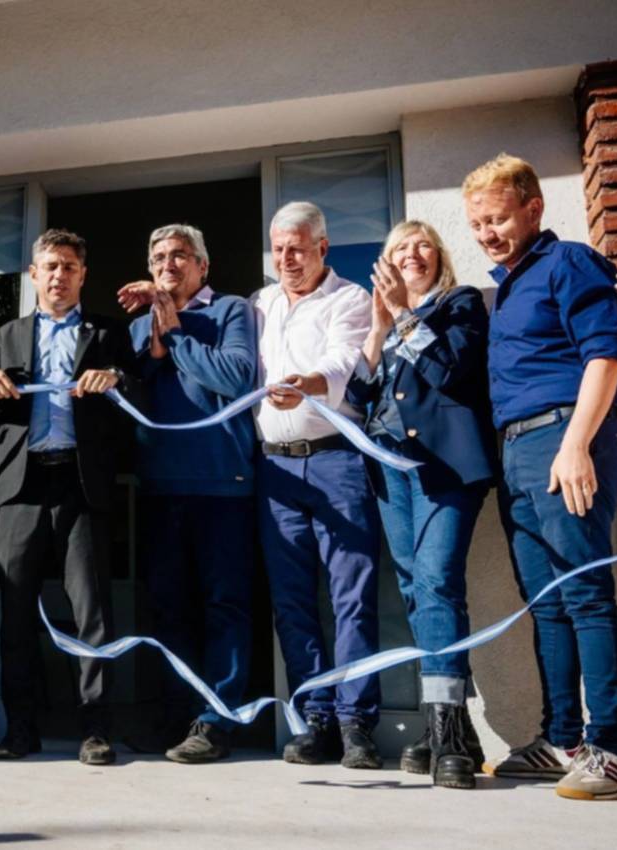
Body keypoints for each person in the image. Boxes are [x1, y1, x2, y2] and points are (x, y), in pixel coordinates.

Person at [463, 154, 617, 800]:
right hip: (516, 451)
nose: (487, 233)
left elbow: (605, 355)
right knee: (548, 602)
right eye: (477, 224)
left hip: (562, 438)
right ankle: (562, 740)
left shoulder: (568, 263)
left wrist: (576, 444)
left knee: (585, 593)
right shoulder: (509, 285)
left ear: (533, 208)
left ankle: (609, 749)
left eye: (497, 218)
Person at [344, 220, 494, 789]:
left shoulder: (460, 304)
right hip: (389, 469)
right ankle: (447, 725)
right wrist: (379, 327)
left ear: (439, 256)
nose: (412, 253)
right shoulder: (389, 320)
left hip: (443, 467)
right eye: (399, 248)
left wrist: (406, 315)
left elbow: (451, 369)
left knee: (436, 583)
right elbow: (358, 394)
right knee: (414, 588)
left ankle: (447, 733)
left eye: (422, 244)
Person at [0, 228, 134, 765]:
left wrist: (114, 377)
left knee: (92, 612)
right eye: (50, 266)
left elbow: (137, 389)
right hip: (21, 486)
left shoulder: (109, 333)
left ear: (83, 274)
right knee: (15, 613)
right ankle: (20, 729)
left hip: (81, 484)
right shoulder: (6, 335)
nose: (59, 275)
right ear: (33, 274)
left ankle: (95, 730)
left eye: (69, 266)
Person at [114, 224, 256, 763]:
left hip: (224, 485)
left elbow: (236, 376)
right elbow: (131, 390)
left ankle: (216, 721)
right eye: (158, 258)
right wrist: (153, 343)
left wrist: (175, 335)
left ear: (203, 266)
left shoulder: (232, 311)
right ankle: (175, 716)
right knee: (168, 610)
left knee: (225, 607)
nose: (167, 265)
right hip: (160, 487)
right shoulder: (138, 325)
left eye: (179, 256)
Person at [253, 201, 382, 770]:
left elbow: (343, 364)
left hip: (336, 463)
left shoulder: (349, 299)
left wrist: (306, 384)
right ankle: (316, 720)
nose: (287, 259)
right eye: (279, 249)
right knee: (292, 602)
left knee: (352, 596)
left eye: (298, 249)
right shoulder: (259, 305)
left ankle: (357, 725)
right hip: (275, 471)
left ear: (322, 248)